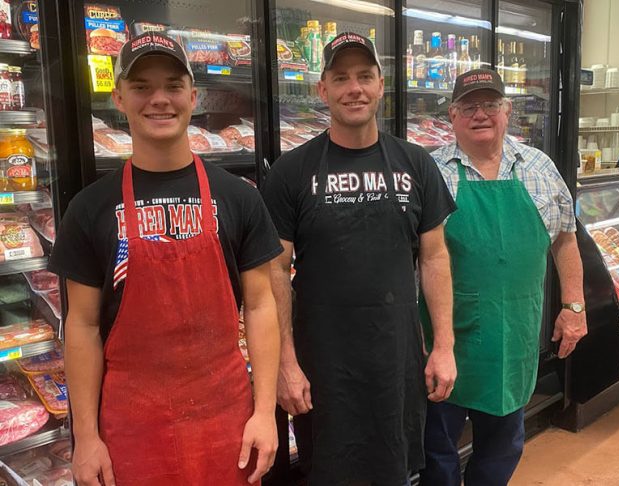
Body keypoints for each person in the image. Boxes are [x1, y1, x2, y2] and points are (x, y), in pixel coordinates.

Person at [50, 33, 282, 486]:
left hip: (226, 422)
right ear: (119, 97)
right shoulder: (89, 208)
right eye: (142, 87)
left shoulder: (239, 198)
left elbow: (260, 306)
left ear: (193, 97)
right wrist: (86, 437)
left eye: (173, 86)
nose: (159, 99)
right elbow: (81, 326)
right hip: (131, 431)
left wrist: (265, 411)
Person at [262, 32, 457, 486]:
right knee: (327, 471)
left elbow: (434, 258)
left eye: (365, 76)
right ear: (322, 90)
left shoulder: (416, 164)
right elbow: (272, 273)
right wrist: (284, 364)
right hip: (321, 367)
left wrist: (444, 346)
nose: (355, 88)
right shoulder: (291, 171)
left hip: (396, 361)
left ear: (381, 85)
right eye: (341, 77)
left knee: (395, 471)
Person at [419, 68, 588, 486]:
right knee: (434, 447)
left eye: (490, 105)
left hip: (513, 335)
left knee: (503, 447)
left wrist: (574, 307)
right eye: (469, 107)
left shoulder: (539, 167)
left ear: (507, 111)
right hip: (444, 339)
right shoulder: (430, 171)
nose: (481, 115)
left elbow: (565, 240)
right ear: (452, 116)